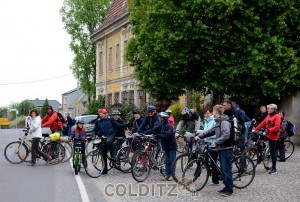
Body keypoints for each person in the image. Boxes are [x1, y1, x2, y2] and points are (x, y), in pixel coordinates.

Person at [197, 104, 233, 196]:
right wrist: (200, 136)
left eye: (213, 111)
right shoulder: (218, 121)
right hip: (221, 148)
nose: (212, 112)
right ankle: (226, 186)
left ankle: (229, 189)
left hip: (226, 147)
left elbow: (226, 135)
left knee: (226, 169)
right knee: (223, 168)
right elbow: (211, 131)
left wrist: (216, 141)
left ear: (216, 112)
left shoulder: (224, 122)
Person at [143, 112, 177, 181]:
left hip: (171, 146)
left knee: (172, 161)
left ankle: (172, 175)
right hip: (166, 146)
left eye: (160, 117)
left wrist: (157, 136)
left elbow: (166, 135)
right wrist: (144, 132)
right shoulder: (162, 125)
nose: (159, 118)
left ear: (163, 119)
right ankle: (167, 175)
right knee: (167, 161)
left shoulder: (168, 126)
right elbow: (154, 129)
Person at [93, 108, 126, 174]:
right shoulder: (98, 121)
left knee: (109, 141)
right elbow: (95, 131)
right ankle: (104, 170)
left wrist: (126, 125)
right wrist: (92, 135)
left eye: (106, 113)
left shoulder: (110, 119)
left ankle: (113, 156)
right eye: (104, 113)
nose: (105, 114)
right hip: (102, 137)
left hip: (111, 135)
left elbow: (118, 125)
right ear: (100, 114)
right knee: (103, 153)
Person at [254, 103, 281, 174]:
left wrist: (269, 130)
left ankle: (274, 168)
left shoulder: (277, 116)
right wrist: (255, 129)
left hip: (273, 136)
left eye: (269, 108)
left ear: (273, 109)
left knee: (272, 152)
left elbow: (277, 127)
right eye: (267, 108)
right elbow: (263, 123)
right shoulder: (268, 115)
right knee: (255, 137)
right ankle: (260, 154)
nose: (267, 110)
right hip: (267, 134)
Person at [195, 108, 218, 185]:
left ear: (211, 113)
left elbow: (215, 133)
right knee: (208, 161)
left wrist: (205, 136)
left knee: (213, 162)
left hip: (213, 144)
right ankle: (212, 176)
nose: (206, 115)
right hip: (207, 143)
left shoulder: (214, 121)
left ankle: (215, 180)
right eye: (205, 113)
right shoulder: (206, 122)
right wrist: (199, 133)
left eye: (208, 113)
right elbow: (206, 131)